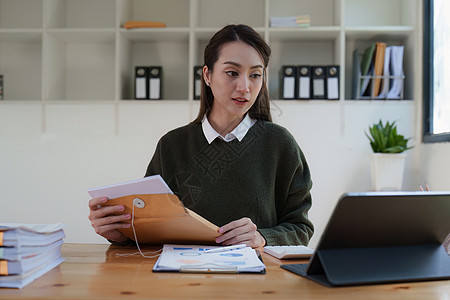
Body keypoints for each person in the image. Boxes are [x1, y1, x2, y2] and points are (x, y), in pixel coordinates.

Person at [89, 24, 314, 248]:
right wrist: (120, 234)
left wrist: (263, 237)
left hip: (258, 279)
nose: (245, 87)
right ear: (207, 75)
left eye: (255, 75)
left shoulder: (279, 144)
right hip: (185, 277)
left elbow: (301, 228)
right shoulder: (172, 146)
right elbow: (150, 227)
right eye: (232, 73)